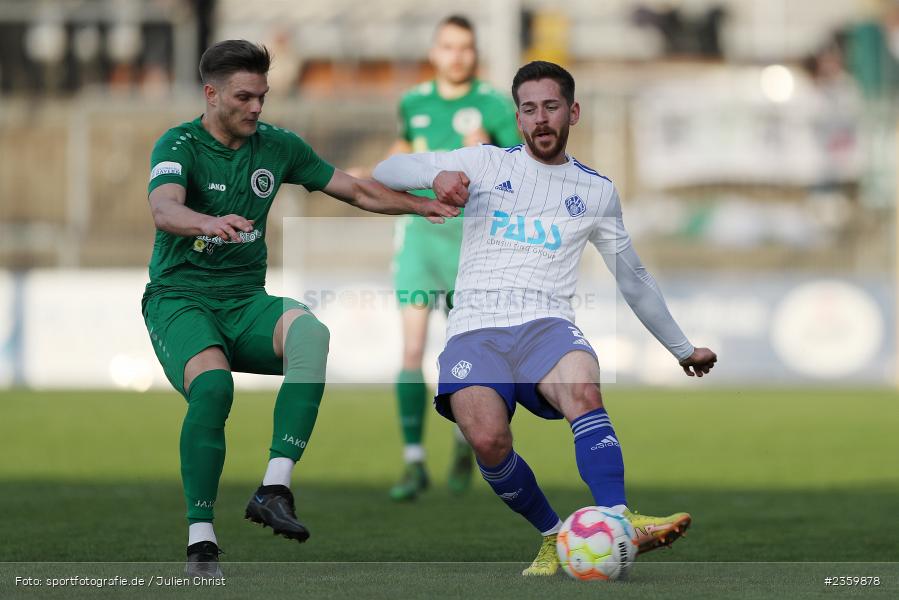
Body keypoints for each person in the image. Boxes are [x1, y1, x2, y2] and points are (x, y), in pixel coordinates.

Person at [373, 61, 717, 576]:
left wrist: (682, 349)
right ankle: (554, 536)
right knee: (486, 439)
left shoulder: (596, 191)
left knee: (583, 387)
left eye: (551, 107)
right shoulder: (484, 163)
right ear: (517, 118)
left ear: (572, 112)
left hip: (546, 326)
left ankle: (620, 518)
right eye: (529, 109)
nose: (540, 119)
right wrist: (438, 174)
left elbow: (633, 277)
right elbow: (386, 172)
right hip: (474, 330)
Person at [142, 39, 462, 578]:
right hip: (181, 299)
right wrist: (206, 222)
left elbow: (357, 191)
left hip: (245, 302)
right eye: (244, 97)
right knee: (215, 388)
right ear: (211, 93)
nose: (256, 108)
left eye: (262, 97)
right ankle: (201, 538)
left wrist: (420, 204)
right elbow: (163, 207)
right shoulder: (178, 144)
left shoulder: (277, 147)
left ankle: (274, 486)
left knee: (311, 334)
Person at [384, 15, 521, 501]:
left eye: (465, 47)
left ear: (475, 52)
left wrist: (484, 149)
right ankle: (414, 464)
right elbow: (403, 150)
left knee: (466, 355)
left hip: (472, 243)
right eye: (448, 46)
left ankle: (465, 441)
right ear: (435, 51)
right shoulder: (414, 101)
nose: (456, 55)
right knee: (411, 350)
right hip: (421, 238)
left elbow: (521, 167)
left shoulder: (492, 103)